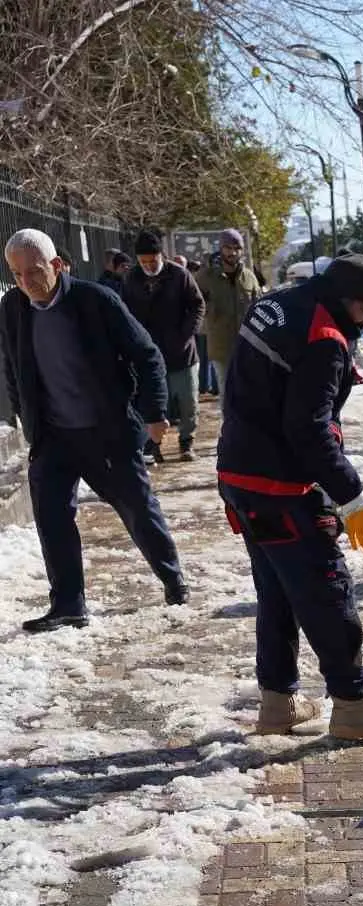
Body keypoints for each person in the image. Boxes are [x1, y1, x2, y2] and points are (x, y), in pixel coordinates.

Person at [216, 253, 363, 741]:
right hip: (280, 487)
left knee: (279, 591)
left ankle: (279, 701)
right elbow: (308, 430)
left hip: (240, 474)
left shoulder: (279, 303)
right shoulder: (325, 339)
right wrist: (352, 495)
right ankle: (352, 704)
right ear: (347, 301)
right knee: (327, 589)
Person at [0, 228, 188, 632]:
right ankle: (69, 603)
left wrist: (154, 413)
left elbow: (147, 355)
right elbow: (14, 369)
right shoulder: (13, 308)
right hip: (53, 436)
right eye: (16, 275)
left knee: (136, 508)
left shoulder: (95, 300)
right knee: (52, 517)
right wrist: (27, 418)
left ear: (55, 265)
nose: (26, 283)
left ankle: (172, 577)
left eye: (33, 272)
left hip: (106, 431)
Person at [121, 231, 204, 462]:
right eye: (143, 261)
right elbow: (124, 312)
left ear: (161, 256)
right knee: (156, 403)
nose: (149, 266)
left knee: (188, 402)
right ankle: (154, 445)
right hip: (149, 355)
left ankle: (187, 442)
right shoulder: (131, 279)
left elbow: (197, 306)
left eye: (153, 260)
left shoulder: (179, 275)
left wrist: (185, 335)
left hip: (182, 352)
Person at [195, 229, 261, 401]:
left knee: (249, 393)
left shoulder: (249, 277)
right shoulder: (205, 276)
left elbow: (258, 308)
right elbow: (193, 304)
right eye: (228, 247)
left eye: (237, 248)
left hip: (248, 346)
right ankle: (230, 427)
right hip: (221, 347)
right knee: (227, 394)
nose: (232, 252)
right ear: (221, 248)